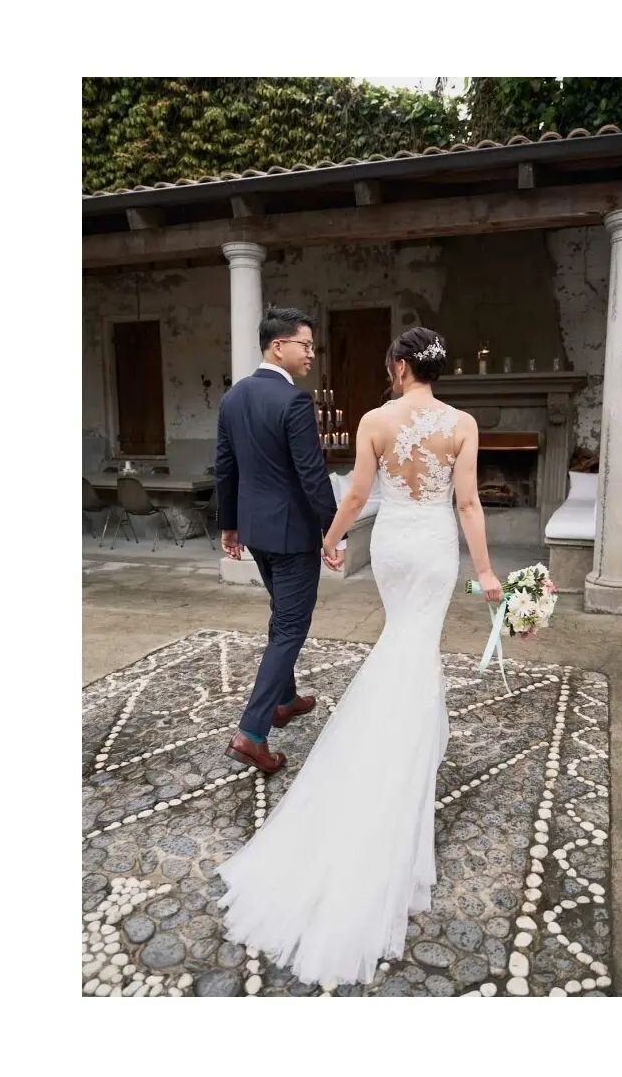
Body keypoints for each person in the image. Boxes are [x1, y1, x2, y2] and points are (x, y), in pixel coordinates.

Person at [216, 326, 502, 987]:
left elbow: (354, 497)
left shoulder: (375, 419)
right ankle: (404, 752)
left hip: (395, 546)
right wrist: (485, 571)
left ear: (399, 366)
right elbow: (466, 501)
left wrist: (334, 540)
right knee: (416, 648)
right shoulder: (462, 422)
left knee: (398, 641)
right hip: (432, 547)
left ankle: (389, 744)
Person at [214, 307, 347, 775]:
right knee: (291, 626)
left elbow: (225, 468)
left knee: (282, 617)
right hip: (292, 537)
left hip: (256, 531)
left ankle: (285, 699)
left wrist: (229, 525)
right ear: (278, 347)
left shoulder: (233, 398)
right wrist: (333, 533)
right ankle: (251, 733)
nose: (311, 353)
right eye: (304, 345)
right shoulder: (294, 402)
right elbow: (313, 475)